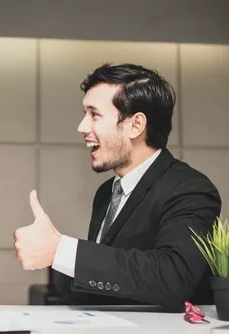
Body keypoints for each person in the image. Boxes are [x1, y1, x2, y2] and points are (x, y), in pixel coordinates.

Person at [14, 63, 221, 309]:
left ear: (135, 125)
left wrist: (62, 250)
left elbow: (173, 277)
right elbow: (110, 287)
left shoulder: (190, 189)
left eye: (94, 115)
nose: (82, 127)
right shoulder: (106, 193)